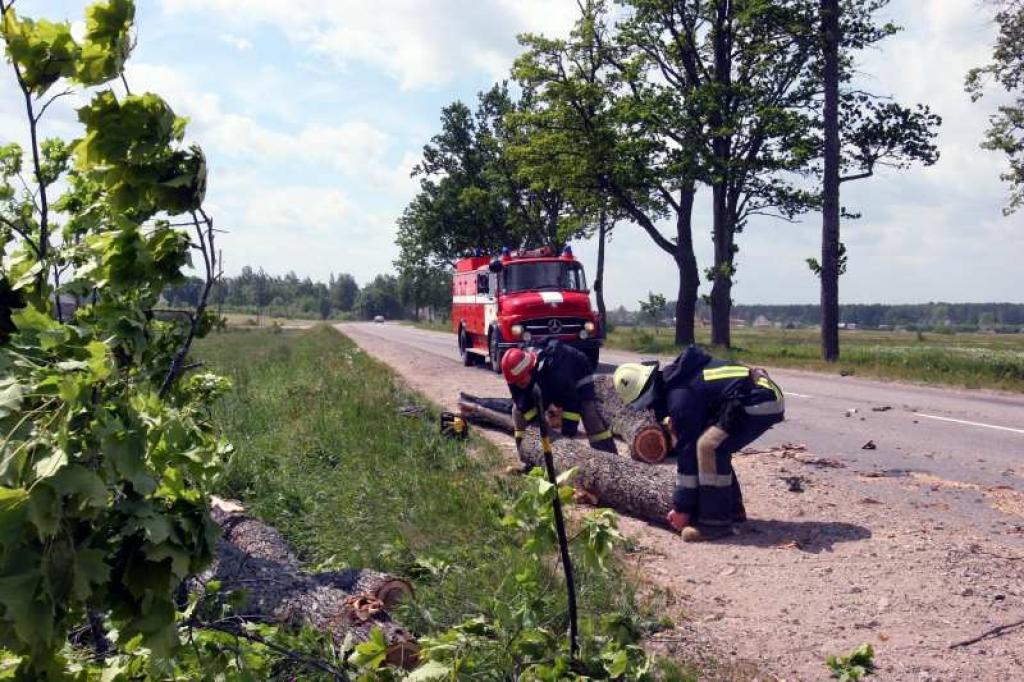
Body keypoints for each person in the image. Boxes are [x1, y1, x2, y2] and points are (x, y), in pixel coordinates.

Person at [613, 346, 785, 542]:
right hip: (751, 396)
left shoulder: (680, 397)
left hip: (759, 400)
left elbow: (687, 454)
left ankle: (715, 524)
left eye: (647, 403)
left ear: (650, 393)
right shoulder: (677, 381)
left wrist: (682, 508)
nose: (650, 409)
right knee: (711, 442)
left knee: (709, 446)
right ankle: (733, 510)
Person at [501, 340, 618, 459]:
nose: (519, 386)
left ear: (530, 370)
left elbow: (571, 404)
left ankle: (609, 457)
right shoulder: (513, 374)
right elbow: (522, 403)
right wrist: (536, 425)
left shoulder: (557, 371)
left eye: (522, 381)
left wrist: (566, 438)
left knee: (589, 412)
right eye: (516, 383)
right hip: (547, 381)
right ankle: (526, 458)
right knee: (517, 413)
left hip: (578, 371)